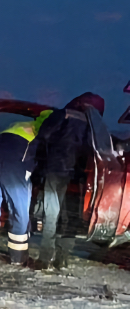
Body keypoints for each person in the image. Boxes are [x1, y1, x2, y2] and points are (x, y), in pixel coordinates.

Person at [34, 92, 104, 269]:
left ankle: (45, 258)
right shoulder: (92, 125)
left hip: (55, 168)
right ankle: (62, 259)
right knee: (70, 216)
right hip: (77, 175)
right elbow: (92, 150)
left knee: (51, 213)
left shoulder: (63, 114)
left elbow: (44, 135)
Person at [0, 113, 46, 263]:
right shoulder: (46, 131)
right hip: (14, 165)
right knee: (19, 210)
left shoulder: (19, 125)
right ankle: (18, 258)